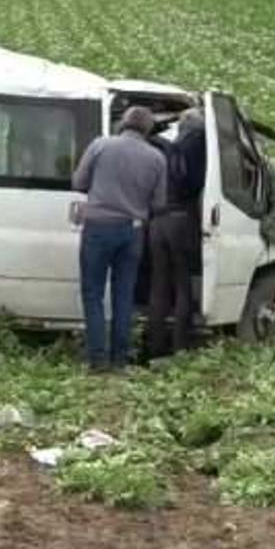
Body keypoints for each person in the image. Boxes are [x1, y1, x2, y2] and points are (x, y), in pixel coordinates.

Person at [72, 106, 168, 372]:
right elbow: (159, 203)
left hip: (98, 227)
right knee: (124, 295)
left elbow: (79, 182)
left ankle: (97, 359)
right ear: (148, 130)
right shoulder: (157, 158)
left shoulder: (100, 145)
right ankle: (119, 361)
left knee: (92, 293)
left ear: (123, 123)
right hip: (132, 231)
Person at [146, 107, 206, 358]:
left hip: (157, 221)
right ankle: (180, 345)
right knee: (182, 284)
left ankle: (154, 346)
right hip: (181, 219)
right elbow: (195, 185)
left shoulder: (160, 148)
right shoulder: (196, 146)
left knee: (158, 284)